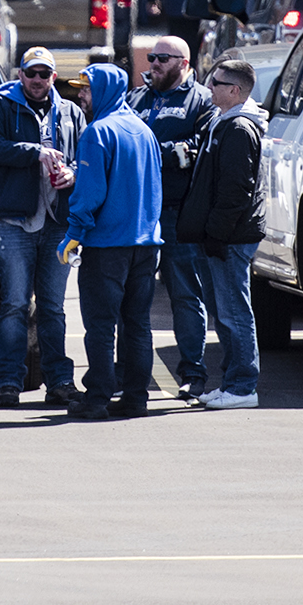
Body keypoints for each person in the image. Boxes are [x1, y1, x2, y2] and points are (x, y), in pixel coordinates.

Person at [0, 46, 85, 408]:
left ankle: (60, 382)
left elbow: (87, 159)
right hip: (14, 222)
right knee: (15, 305)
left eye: (44, 74)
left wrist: (72, 173)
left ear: (53, 77)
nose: (37, 80)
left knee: (53, 307)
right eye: (31, 73)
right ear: (20, 75)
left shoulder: (70, 111)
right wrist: (32, 151)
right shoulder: (1, 106)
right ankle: (9, 383)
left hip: (57, 224)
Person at [60, 62, 161, 420]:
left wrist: (73, 235)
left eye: (86, 89)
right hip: (146, 244)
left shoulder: (96, 133)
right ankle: (136, 398)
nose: (81, 95)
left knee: (100, 326)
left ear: (102, 89)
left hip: (107, 247)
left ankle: (97, 398)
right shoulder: (143, 130)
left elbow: (89, 194)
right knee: (137, 324)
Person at [179, 59, 269, 409]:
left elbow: (236, 192)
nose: (208, 87)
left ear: (235, 90)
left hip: (232, 238)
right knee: (226, 312)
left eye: (215, 82)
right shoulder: (224, 122)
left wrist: (215, 233)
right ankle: (232, 382)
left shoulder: (239, 129)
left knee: (234, 313)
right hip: (224, 236)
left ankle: (243, 388)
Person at [131, 35, 215, 399]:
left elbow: (200, 149)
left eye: (161, 58)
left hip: (180, 213)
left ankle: (193, 372)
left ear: (183, 62)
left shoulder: (201, 100)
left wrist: (152, 151)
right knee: (134, 294)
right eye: (151, 57)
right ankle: (129, 371)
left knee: (185, 295)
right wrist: (169, 151)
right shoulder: (137, 99)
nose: (153, 64)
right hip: (139, 213)